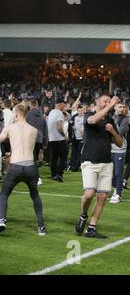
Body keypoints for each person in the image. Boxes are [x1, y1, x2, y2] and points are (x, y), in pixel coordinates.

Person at [74, 94, 123, 238]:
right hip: (89, 161)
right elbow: (93, 120)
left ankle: (92, 228)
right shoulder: (89, 114)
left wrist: (113, 132)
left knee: (102, 197)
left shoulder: (110, 121)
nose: (108, 103)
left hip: (106, 163)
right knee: (89, 194)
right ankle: (83, 215)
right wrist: (111, 105)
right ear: (97, 102)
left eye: (109, 101)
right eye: (105, 101)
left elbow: (120, 143)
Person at [0, 104, 46, 235]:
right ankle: (41, 227)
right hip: (31, 167)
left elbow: (1, 139)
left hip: (15, 167)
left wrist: (8, 125)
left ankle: (1, 219)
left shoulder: (10, 127)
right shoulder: (33, 129)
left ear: (16, 114)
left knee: (3, 195)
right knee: (35, 196)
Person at [110, 103, 129, 204]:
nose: (122, 109)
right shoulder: (110, 117)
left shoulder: (125, 119)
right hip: (109, 148)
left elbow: (120, 133)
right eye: (120, 107)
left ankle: (118, 193)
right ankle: (115, 189)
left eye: (123, 107)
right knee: (111, 172)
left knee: (118, 172)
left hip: (120, 148)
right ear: (114, 107)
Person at [26, 99, 48, 186]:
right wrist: (45, 142)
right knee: (33, 159)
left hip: (30, 139)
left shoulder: (27, 116)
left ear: (30, 105)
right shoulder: (42, 116)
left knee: (32, 159)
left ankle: (37, 178)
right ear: (37, 105)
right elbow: (45, 131)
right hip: (39, 140)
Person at [47, 96, 69, 182]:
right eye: (63, 104)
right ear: (59, 104)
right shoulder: (59, 113)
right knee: (64, 156)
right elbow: (59, 127)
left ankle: (54, 174)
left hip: (51, 139)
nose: (64, 106)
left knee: (54, 158)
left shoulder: (51, 112)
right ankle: (59, 174)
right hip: (59, 139)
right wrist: (65, 136)